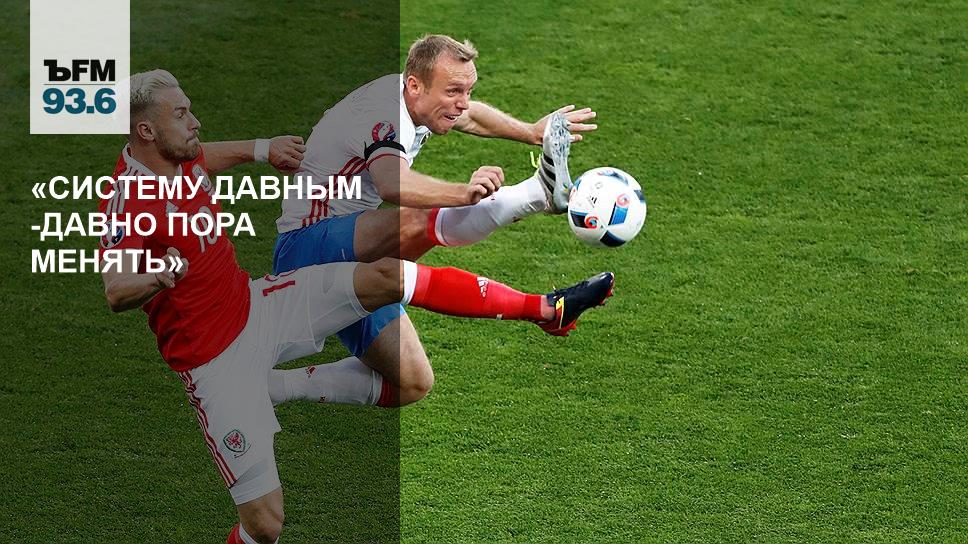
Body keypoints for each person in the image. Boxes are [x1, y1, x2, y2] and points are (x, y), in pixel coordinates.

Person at [99, 69, 614, 544]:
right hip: (216, 363)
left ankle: (544, 309)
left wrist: (260, 149)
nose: (195, 122)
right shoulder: (127, 200)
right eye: (182, 114)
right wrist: (159, 276)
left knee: (388, 280)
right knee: (265, 525)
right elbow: (116, 289)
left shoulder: (177, 153)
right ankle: (536, 201)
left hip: (260, 306)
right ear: (147, 132)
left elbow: (201, 156)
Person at [270, 35, 601, 408]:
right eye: (454, 91)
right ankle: (538, 194)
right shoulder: (385, 112)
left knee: (412, 382)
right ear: (415, 85)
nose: (463, 102)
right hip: (307, 248)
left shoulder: (420, 100)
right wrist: (464, 193)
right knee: (418, 221)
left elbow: (471, 115)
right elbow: (392, 183)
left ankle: (271, 388)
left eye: (468, 90)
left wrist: (531, 132)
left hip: (351, 248)